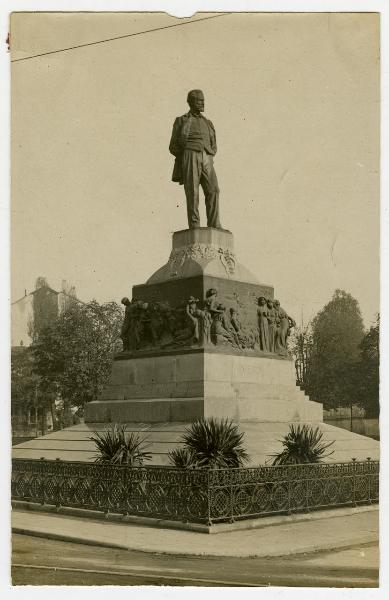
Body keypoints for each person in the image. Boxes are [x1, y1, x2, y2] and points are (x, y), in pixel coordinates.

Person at [169, 90, 221, 229]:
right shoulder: (181, 120)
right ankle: (194, 224)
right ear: (191, 102)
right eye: (199, 101)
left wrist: (209, 153)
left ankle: (214, 223)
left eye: (203, 100)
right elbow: (173, 146)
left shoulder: (208, 122)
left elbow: (213, 143)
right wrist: (186, 154)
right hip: (190, 155)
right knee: (193, 192)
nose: (202, 103)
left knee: (214, 190)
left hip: (207, 157)